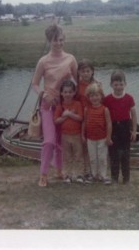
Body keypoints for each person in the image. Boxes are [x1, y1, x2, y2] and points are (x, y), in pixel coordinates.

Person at [32, 23, 78, 187]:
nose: (58, 43)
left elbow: (79, 81)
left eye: (60, 40)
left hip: (64, 106)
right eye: (54, 40)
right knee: (50, 141)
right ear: (49, 41)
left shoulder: (71, 59)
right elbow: (35, 84)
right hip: (48, 106)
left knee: (61, 141)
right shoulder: (43, 61)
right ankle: (43, 175)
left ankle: (59, 170)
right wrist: (43, 94)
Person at [103, 70, 137, 184]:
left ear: (125, 84)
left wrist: (134, 131)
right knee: (114, 154)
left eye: (121, 84)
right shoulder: (107, 99)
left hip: (125, 127)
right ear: (111, 85)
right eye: (116, 84)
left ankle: (126, 178)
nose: (118, 87)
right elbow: (105, 117)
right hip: (113, 128)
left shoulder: (129, 98)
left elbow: (134, 115)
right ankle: (114, 178)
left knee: (125, 155)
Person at [77, 59, 102, 180]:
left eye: (88, 71)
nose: (85, 73)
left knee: (94, 144)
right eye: (83, 71)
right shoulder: (77, 85)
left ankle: (95, 171)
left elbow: (101, 100)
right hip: (81, 118)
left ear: (92, 72)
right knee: (83, 145)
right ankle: (85, 170)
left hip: (94, 116)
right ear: (79, 72)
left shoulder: (97, 84)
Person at [54, 80, 84, 183]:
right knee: (67, 156)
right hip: (65, 135)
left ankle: (79, 174)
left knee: (78, 155)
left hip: (77, 135)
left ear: (74, 92)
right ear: (61, 93)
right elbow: (56, 120)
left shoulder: (77, 104)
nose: (67, 94)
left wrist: (70, 114)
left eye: (70, 92)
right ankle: (67, 175)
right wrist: (65, 115)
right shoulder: (60, 106)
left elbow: (80, 118)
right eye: (65, 92)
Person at [82, 83, 113, 185]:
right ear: (89, 97)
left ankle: (103, 175)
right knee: (93, 158)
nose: (94, 98)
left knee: (102, 158)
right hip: (90, 138)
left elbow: (109, 124)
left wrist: (108, 137)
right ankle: (94, 175)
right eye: (92, 96)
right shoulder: (87, 109)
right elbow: (84, 122)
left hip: (102, 138)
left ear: (101, 96)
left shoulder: (105, 109)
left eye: (96, 95)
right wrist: (83, 135)